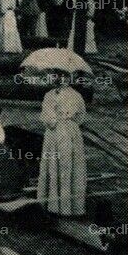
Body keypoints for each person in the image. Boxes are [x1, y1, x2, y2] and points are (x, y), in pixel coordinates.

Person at [37, 71, 88, 216]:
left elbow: (48, 120)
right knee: (69, 164)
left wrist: (56, 120)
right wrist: (70, 123)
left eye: (56, 76)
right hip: (72, 131)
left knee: (58, 163)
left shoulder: (50, 95)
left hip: (56, 132)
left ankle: (57, 205)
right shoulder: (76, 95)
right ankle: (70, 206)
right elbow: (81, 116)